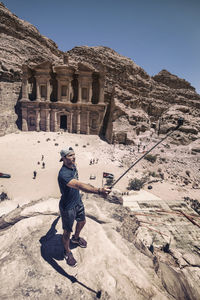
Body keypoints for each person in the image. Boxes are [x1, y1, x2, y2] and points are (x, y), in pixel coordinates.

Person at [58, 147, 111, 267]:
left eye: (74, 155)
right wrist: (98, 190)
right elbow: (78, 184)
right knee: (66, 232)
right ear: (63, 158)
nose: (73, 157)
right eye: (70, 156)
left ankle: (76, 238)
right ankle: (67, 252)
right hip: (68, 207)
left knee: (82, 221)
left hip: (77, 201)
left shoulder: (73, 165)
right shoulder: (63, 174)